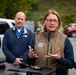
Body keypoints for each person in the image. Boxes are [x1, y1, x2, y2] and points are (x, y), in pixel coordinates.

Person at [29, 9, 74, 75]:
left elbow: (71, 64)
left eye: (55, 20)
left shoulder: (64, 39)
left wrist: (60, 58)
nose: (52, 23)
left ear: (58, 23)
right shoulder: (36, 38)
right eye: (49, 20)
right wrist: (30, 57)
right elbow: (27, 62)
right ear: (44, 21)